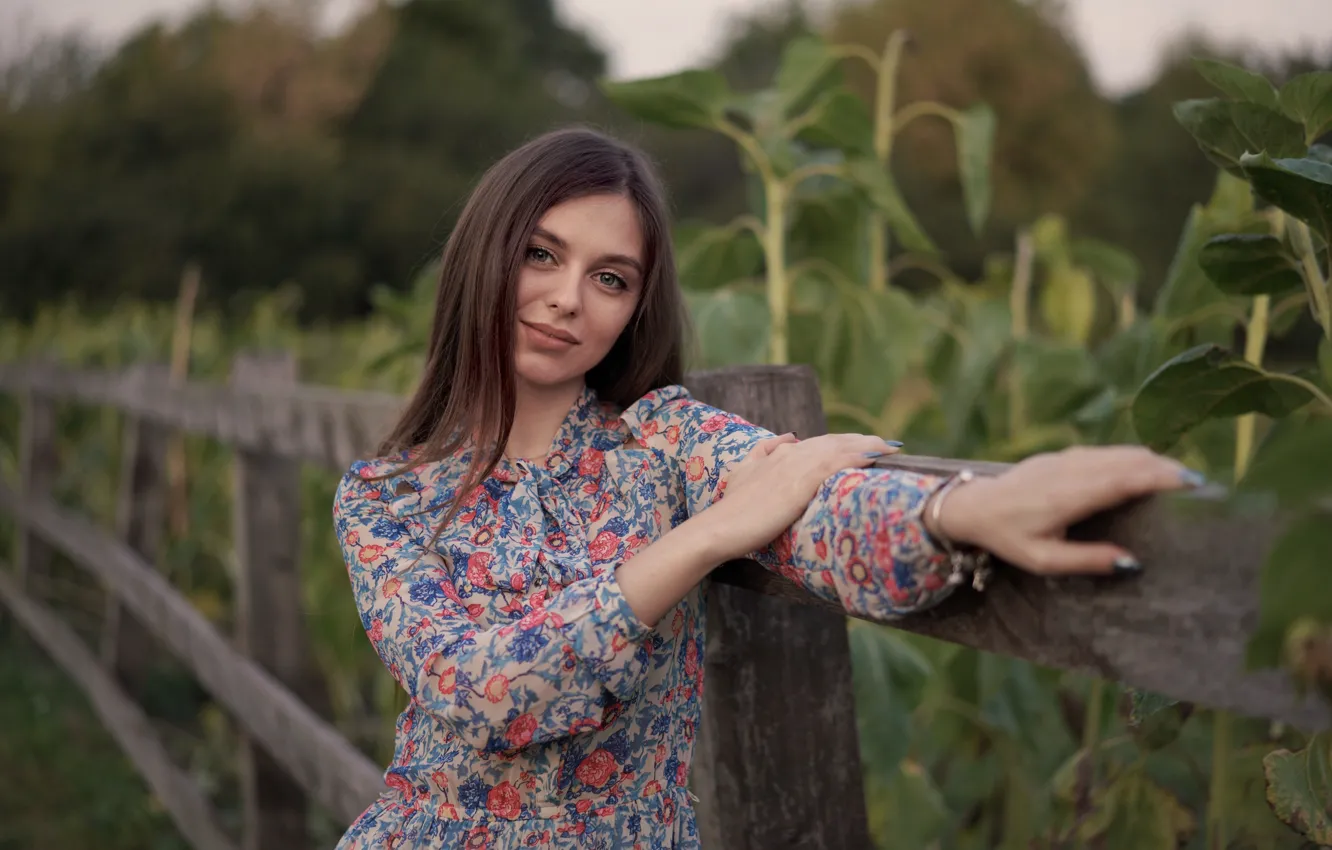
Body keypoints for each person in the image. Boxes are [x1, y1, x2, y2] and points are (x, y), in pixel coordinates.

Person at [331, 127, 1201, 849]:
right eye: (539, 254)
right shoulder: (384, 498)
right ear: (486, 249)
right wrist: (706, 537)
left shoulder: (662, 436)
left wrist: (957, 510)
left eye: (609, 278)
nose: (567, 300)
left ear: (636, 306)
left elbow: (809, 507)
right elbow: (479, 694)